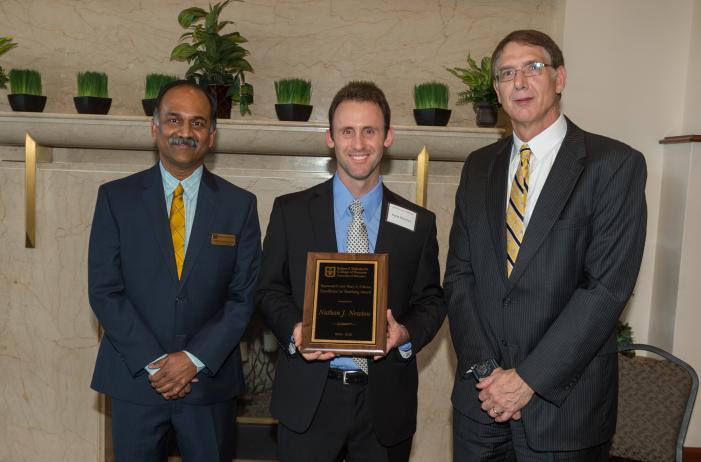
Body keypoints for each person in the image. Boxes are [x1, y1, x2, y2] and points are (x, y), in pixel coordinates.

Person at [444, 30, 647, 461]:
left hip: (564, 413)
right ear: (497, 91)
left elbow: (605, 290)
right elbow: (460, 278)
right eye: (507, 73)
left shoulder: (613, 165)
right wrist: (488, 376)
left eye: (533, 67)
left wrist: (527, 380)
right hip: (480, 408)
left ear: (560, 79)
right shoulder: (478, 168)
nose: (520, 81)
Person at [256, 81, 445, 462]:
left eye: (369, 130)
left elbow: (432, 300)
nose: (358, 143)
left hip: (385, 404)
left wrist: (405, 333)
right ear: (330, 138)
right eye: (347, 131)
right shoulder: (290, 212)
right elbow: (267, 290)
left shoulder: (418, 223)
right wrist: (296, 330)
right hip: (309, 400)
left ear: (388, 137)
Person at [88, 80, 261, 462]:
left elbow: (243, 296)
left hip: (208, 384)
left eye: (197, 123)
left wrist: (192, 359)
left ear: (212, 136)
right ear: (155, 128)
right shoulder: (116, 199)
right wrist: (156, 362)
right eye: (174, 120)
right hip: (135, 380)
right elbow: (104, 290)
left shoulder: (240, 206)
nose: (185, 132)